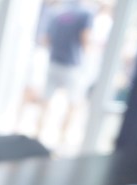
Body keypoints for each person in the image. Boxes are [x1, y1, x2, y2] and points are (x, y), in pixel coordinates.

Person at [37, 0, 94, 143]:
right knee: (73, 104)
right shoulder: (86, 13)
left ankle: (37, 135)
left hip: (54, 62)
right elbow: (85, 39)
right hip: (72, 65)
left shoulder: (57, 11)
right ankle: (61, 139)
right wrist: (89, 57)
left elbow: (46, 39)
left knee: (46, 101)